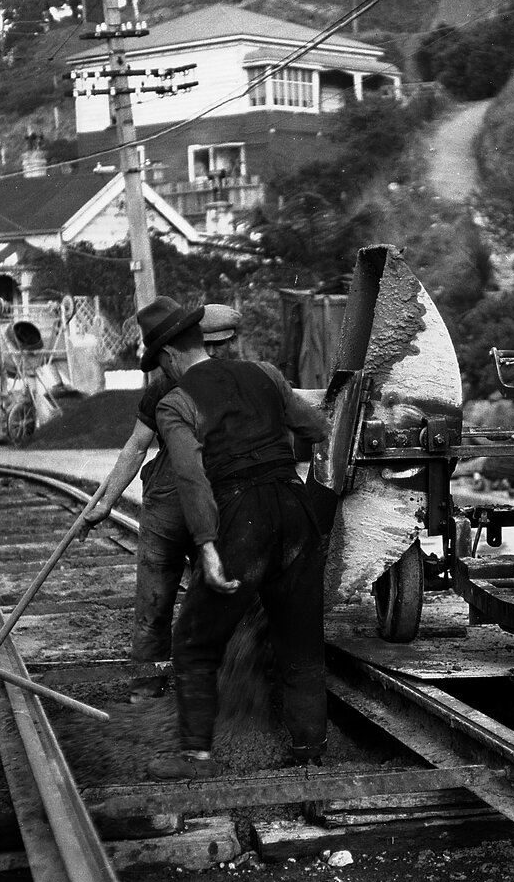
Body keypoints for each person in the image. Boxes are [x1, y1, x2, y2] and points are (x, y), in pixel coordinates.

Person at [132, 295, 330, 780]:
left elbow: (191, 479)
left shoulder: (176, 402)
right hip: (294, 508)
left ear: (169, 357)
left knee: (195, 643)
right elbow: (317, 427)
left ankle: (197, 757)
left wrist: (206, 547)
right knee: (301, 644)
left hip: (243, 520)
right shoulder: (264, 373)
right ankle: (312, 757)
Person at [83, 304, 245, 704]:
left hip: (202, 505)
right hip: (180, 508)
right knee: (164, 601)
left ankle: (171, 689)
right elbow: (137, 446)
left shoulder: (189, 383)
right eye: (217, 343)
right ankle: (157, 688)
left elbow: (138, 447)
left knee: (179, 601)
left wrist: (107, 503)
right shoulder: (177, 387)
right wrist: (105, 502)